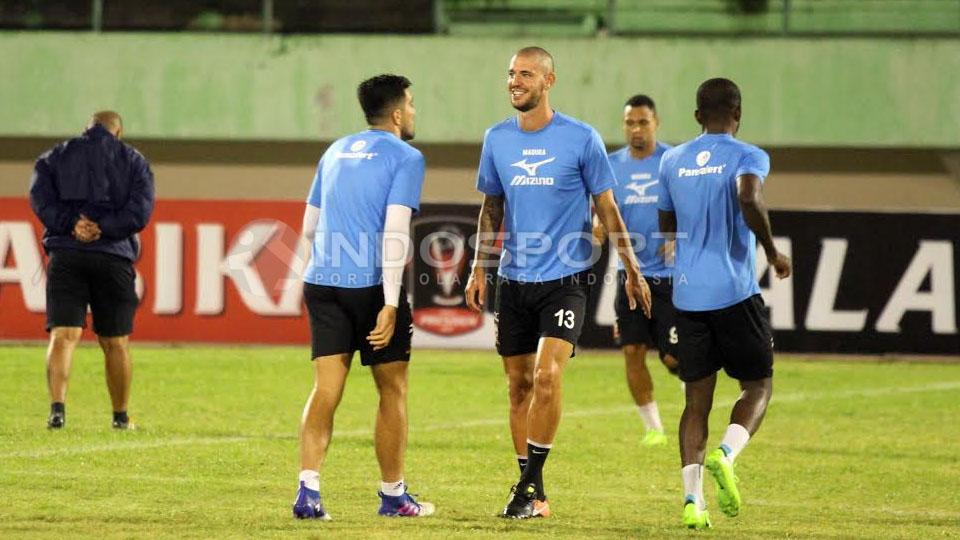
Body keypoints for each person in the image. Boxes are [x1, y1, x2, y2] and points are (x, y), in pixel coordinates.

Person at [464, 46, 652, 520]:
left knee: (548, 376)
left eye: (525, 74)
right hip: (514, 279)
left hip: (566, 280)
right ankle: (535, 492)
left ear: (549, 81)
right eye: (510, 73)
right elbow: (492, 208)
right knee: (517, 387)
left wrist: (632, 268)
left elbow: (608, 210)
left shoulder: (581, 138)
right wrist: (479, 268)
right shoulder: (496, 139)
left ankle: (525, 488)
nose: (514, 81)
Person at [292, 74, 434, 520]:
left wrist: (321, 270)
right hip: (370, 287)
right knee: (392, 389)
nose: (412, 112)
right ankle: (393, 495)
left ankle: (308, 492)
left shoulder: (334, 150)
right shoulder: (407, 157)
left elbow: (310, 225)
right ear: (396, 113)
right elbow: (395, 231)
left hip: (323, 281)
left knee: (326, 388)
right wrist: (390, 302)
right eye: (410, 104)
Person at [657, 78, 791, 529]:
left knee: (696, 401)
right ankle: (726, 453)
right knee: (758, 387)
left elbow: (666, 223)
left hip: (688, 295)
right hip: (734, 293)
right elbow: (749, 197)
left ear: (697, 115)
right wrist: (771, 251)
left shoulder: (671, 160)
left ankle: (692, 502)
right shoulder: (747, 154)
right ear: (738, 113)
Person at [28, 110, 155, 431]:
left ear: (86, 129)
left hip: (67, 255)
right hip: (113, 257)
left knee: (64, 336)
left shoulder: (54, 157)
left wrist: (73, 225)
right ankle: (120, 417)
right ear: (119, 132)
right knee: (115, 341)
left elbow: (40, 200)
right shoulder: (134, 161)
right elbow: (140, 211)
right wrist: (104, 228)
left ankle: (57, 410)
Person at [596, 94, 679, 447]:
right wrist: (597, 228)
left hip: (671, 278)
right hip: (630, 276)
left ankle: (691, 394)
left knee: (675, 357)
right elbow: (602, 211)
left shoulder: (672, 161)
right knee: (632, 350)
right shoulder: (611, 165)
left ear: (656, 123)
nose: (636, 129)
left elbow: (691, 205)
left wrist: (679, 237)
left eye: (643, 122)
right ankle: (654, 429)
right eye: (630, 122)